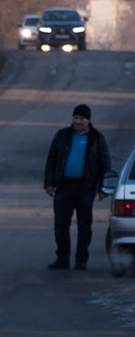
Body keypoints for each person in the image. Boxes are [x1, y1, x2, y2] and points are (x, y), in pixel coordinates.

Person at [43, 103, 111, 270]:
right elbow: (52, 159)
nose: (78, 121)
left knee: (84, 226)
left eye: (81, 118)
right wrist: (49, 183)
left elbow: (105, 164)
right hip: (64, 186)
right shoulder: (62, 136)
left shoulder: (97, 139)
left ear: (88, 120)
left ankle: (81, 260)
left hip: (85, 188)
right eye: (75, 117)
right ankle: (62, 258)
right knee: (60, 224)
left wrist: (104, 188)